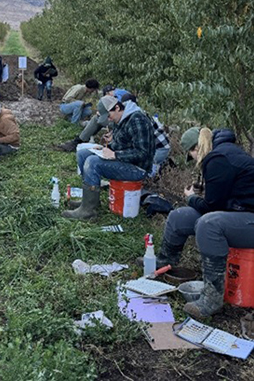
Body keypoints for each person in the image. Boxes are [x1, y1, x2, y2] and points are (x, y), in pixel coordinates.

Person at [156, 128, 254, 318]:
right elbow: (224, 197)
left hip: (249, 220)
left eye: (191, 155)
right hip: (240, 213)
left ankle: (212, 298)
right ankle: (164, 263)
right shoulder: (223, 152)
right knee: (179, 216)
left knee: (208, 224)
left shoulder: (217, 158)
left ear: (195, 149)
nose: (194, 161)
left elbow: (210, 208)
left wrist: (191, 198)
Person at [62, 96, 155, 220]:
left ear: (117, 108)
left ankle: (88, 213)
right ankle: (89, 202)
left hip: (137, 168)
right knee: (83, 154)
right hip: (124, 160)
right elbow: (120, 142)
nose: (109, 120)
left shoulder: (137, 120)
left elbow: (143, 153)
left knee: (93, 162)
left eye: (109, 116)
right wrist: (105, 147)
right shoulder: (120, 119)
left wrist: (115, 155)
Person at [56, 84, 127, 152]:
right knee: (96, 118)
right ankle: (79, 140)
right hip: (117, 117)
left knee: (100, 120)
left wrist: (112, 133)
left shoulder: (121, 97)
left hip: (122, 121)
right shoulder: (112, 97)